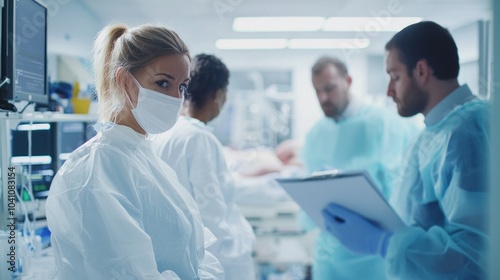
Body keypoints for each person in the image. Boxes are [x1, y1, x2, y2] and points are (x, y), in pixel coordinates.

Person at [46, 24, 223, 279]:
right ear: (125, 81)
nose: (176, 98)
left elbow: (193, 255)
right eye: (163, 83)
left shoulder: (143, 157)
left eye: (182, 87)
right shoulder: (94, 172)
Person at [322, 21, 489, 279]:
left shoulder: (467, 132)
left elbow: (474, 256)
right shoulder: (434, 134)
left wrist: (383, 243)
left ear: (421, 71)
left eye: (395, 77)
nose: (389, 91)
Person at [301, 56, 416, 279]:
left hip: (374, 255)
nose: (323, 98)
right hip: (330, 257)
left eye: (329, 88)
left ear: (348, 81)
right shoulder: (316, 134)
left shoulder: (385, 125)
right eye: (317, 92)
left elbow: (403, 197)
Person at [151, 54, 256, 280]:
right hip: (215, 266)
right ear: (219, 95)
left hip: (173, 261)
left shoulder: (163, 133)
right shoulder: (199, 139)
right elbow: (213, 219)